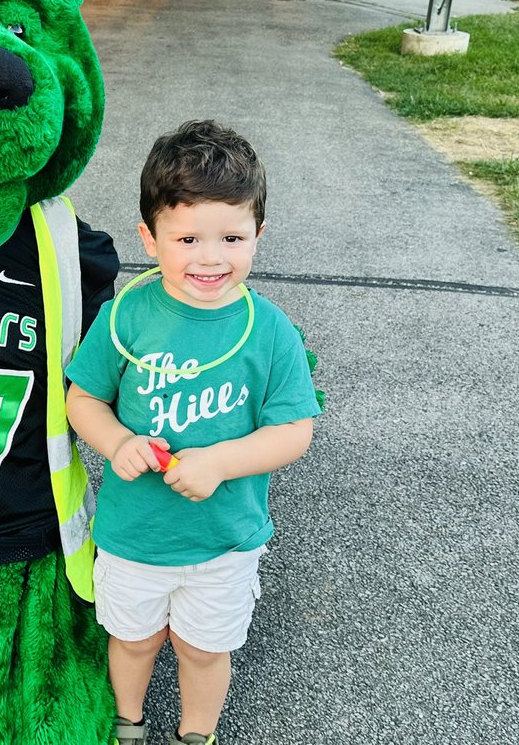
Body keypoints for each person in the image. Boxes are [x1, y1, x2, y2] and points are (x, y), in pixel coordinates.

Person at [65, 119, 322, 745]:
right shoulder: (125, 316)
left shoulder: (270, 331)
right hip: (134, 537)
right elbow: (84, 399)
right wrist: (117, 443)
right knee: (133, 640)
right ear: (149, 239)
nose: (211, 258)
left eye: (232, 237)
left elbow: (294, 430)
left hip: (223, 541)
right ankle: (127, 724)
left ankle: (196, 734)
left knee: (204, 650)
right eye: (187, 238)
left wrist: (221, 462)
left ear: (258, 234)